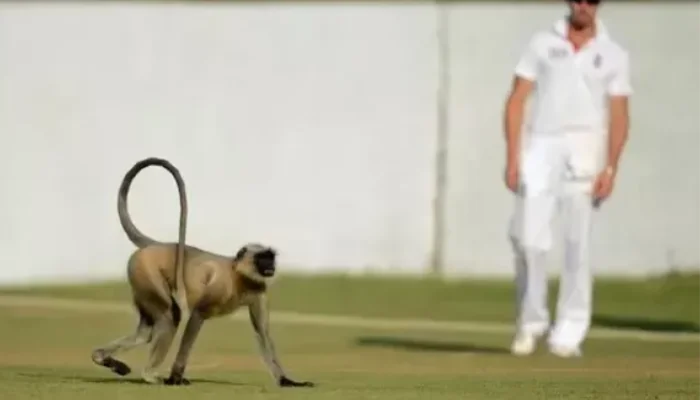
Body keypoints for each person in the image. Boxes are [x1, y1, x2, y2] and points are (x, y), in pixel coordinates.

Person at [502, 0, 632, 357]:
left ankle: (568, 335)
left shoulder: (614, 53)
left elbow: (620, 113)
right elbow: (517, 100)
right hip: (542, 144)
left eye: (590, 1)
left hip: (585, 148)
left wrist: (611, 166)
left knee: (578, 244)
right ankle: (531, 323)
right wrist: (513, 156)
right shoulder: (542, 42)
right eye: (577, 0)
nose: (583, 7)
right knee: (528, 238)